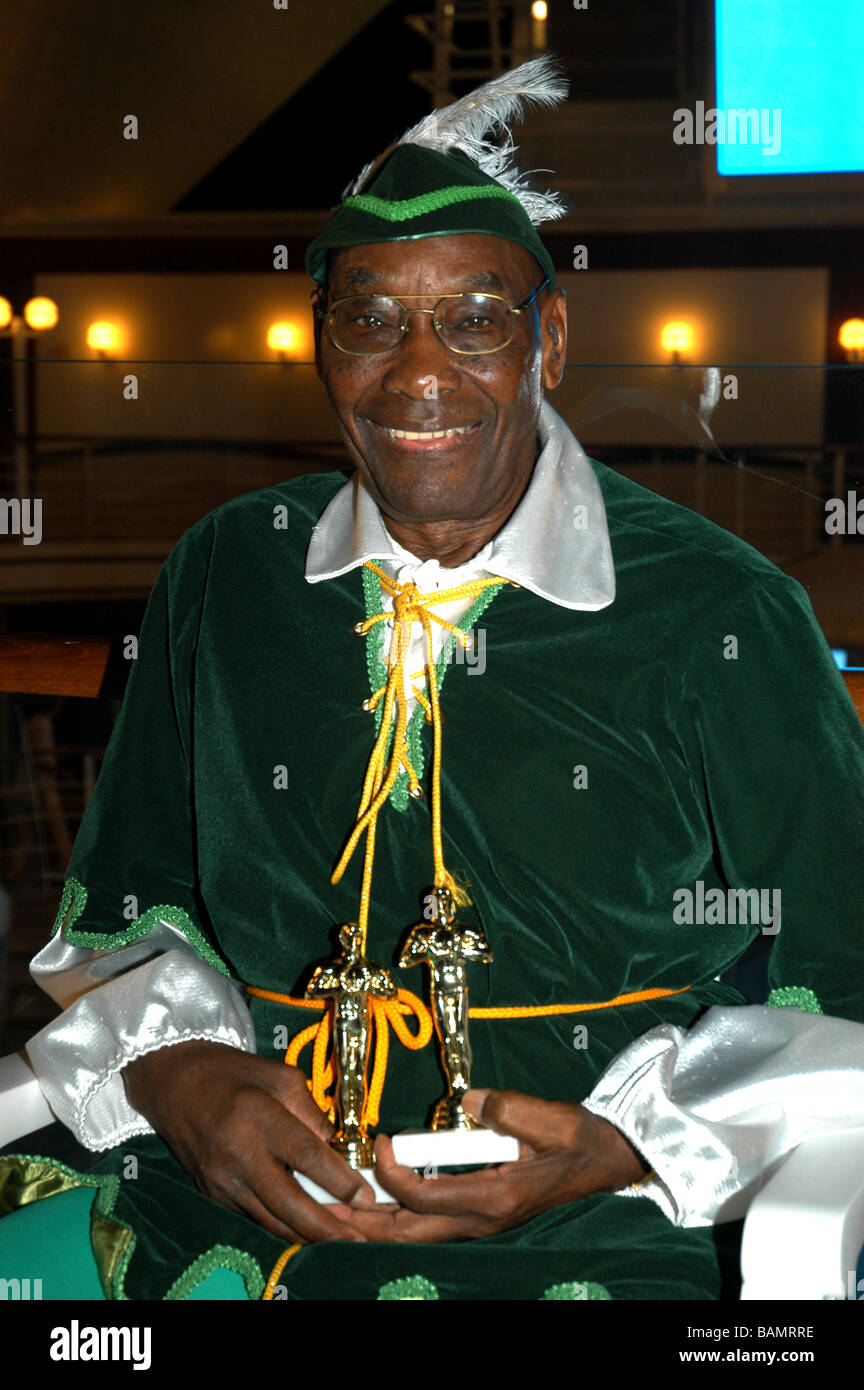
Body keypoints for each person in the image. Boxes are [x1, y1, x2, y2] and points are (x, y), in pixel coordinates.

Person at [2, 57, 864, 1302]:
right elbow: (135, 899)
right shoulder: (227, 574)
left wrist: (620, 1143)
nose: (417, 372)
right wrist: (180, 1076)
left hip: (588, 1235)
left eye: (475, 318)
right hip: (229, 1215)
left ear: (549, 340)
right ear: (319, 343)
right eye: (369, 318)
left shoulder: (722, 609)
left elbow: (841, 968)